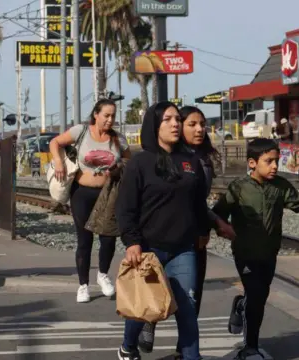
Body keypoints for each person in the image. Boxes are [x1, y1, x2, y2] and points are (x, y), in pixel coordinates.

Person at [211, 138, 299, 360]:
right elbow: (218, 212)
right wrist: (221, 227)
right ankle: (250, 348)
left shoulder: (281, 187)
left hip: (269, 253)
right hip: (245, 254)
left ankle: (240, 305)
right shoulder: (238, 188)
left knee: (260, 295)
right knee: (256, 296)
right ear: (252, 163)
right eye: (269, 161)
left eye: (276, 161)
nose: (275, 166)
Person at [137, 105, 235, 357]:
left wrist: (210, 225)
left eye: (202, 124)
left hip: (192, 237)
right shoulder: (166, 157)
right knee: (155, 288)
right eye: (191, 124)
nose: (199, 129)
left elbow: (198, 202)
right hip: (160, 237)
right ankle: (145, 326)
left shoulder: (202, 160)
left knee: (190, 300)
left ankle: (186, 351)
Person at [115, 101, 210, 360]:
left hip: (183, 250)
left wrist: (205, 230)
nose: (175, 124)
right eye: (168, 119)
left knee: (187, 310)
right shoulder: (140, 163)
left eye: (177, 119)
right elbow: (125, 209)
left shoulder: (191, 162)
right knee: (143, 308)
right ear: (155, 125)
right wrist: (132, 242)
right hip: (147, 250)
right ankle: (128, 347)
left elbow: (199, 203)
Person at [49, 98, 131, 303]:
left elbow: (129, 161)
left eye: (113, 116)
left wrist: (119, 168)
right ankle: (83, 285)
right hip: (82, 192)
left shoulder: (118, 140)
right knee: (84, 239)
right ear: (96, 114)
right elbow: (55, 142)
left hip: (108, 193)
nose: (110, 120)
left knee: (108, 237)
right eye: (106, 115)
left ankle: (103, 274)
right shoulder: (81, 131)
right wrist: (59, 162)